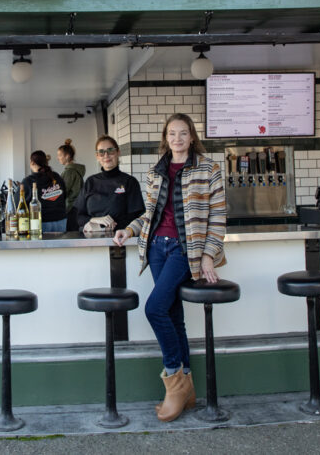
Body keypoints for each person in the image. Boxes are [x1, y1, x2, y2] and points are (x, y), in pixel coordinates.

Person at [113, 113, 226, 422]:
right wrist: (130, 230)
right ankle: (187, 388)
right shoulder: (156, 170)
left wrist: (207, 255)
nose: (177, 138)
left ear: (192, 137)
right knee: (173, 315)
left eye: (183, 133)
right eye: (172, 133)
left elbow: (218, 217)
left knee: (155, 309)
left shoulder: (209, 169)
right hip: (156, 248)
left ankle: (173, 379)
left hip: (183, 249)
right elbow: (150, 213)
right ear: (166, 138)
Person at [76, 136, 145, 234]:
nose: (106, 155)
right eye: (101, 152)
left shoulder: (129, 182)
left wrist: (108, 228)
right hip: (91, 241)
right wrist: (94, 220)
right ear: (97, 156)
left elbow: (135, 217)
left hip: (120, 240)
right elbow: (79, 217)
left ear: (118, 152)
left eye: (110, 150)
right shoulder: (90, 182)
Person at [21, 150, 68, 232]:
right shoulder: (56, 176)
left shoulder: (28, 181)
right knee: (60, 245)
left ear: (32, 163)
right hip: (61, 220)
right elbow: (64, 196)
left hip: (41, 222)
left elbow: (19, 203)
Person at [58, 140, 86, 232]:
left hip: (70, 207)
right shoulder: (76, 170)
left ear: (67, 156)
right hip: (78, 206)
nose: (58, 158)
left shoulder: (69, 172)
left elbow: (63, 191)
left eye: (60, 155)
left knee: (71, 234)